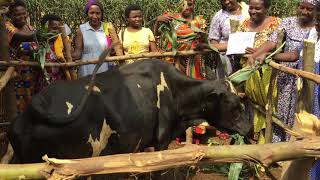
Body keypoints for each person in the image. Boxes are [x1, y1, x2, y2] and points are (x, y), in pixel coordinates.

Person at [249, 0, 317, 142]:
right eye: (301, 7)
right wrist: (256, 55)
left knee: (304, 113)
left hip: (309, 80)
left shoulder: (315, 29)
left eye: (309, 9)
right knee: (281, 112)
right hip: (285, 76)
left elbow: (295, 55)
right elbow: (273, 43)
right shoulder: (288, 22)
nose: (304, 11)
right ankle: (279, 146)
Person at [238, 0, 281, 144]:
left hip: (268, 73)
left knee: (268, 105)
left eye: (258, 8)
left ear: (267, 8)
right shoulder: (244, 24)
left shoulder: (276, 23)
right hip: (248, 72)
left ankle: (267, 141)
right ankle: (254, 139)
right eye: (251, 8)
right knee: (253, 104)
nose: (253, 11)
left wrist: (259, 52)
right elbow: (235, 45)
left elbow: (279, 47)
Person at [154, 0, 211, 80]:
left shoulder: (199, 21)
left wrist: (201, 45)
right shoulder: (171, 18)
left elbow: (205, 42)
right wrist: (158, 21)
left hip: (193, 61)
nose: (187, 7)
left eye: (190, 4)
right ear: (179, 4)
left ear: (194, 5)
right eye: (184, 4)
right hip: (172, 59)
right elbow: (157, 35)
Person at [5, 0, 39, 113]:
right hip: (13, 71)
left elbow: (38, 48)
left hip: (30, 72)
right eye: (17, 14)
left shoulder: (31, 28)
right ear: (11, 15)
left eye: (23, 13)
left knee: (30, 99)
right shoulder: (7, 26)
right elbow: (18, 37)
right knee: (14, 101)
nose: (21, 16)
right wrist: (36, 36)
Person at [72, 0, 116, 77]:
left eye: (98, 13)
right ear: (87, 14)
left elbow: (115, 49)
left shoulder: (107, 27)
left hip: (105, 67)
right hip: (87, 68)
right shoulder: (82, 29)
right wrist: (67, 54)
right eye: (91, 13)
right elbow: (78, 53)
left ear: (102, 14)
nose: (95, 16)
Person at [35, 14, 69, 92]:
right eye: (54, 28)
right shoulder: (39, 44)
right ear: (45, 28)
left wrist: (63, 61)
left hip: (60, 83)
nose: (56, 31)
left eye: (58, 29)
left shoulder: (64, 44)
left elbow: (70, 60)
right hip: (43, 83)